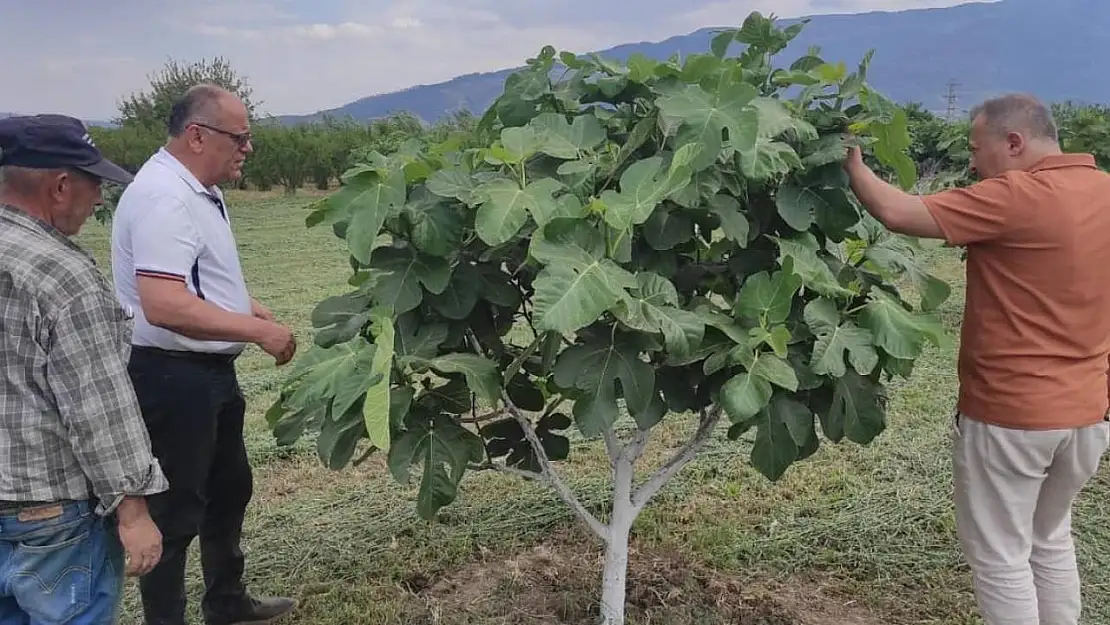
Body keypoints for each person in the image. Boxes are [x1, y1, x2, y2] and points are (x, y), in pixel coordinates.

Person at [844, 93, 1110, 625]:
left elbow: (897, 211)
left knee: (1000, 559)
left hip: (1012, 415)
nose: (971, 162)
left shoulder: (1017, 194)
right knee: (1049, 538)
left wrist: (849, 160)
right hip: (1087, 414)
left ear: (1014, 143)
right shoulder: (1104, 191)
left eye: (975, 148)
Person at [110, 84, 298, 625]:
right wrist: (256, 332)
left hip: (206, 373)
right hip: (173, 377)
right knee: (175, 512)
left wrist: (248, 309)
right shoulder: (164, 197)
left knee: (228, 490)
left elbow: (193, 279)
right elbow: (165, 303)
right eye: (239, 137)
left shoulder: (194, 188)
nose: (248, 148)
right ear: (197, 135)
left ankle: (227, 602)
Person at [0, 114, 168, 623]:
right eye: (94, 183)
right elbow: (99, 409)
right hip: (51, 514)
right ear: (60, 186)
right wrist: (134, 512)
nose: (99, 199)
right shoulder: (62, 275)